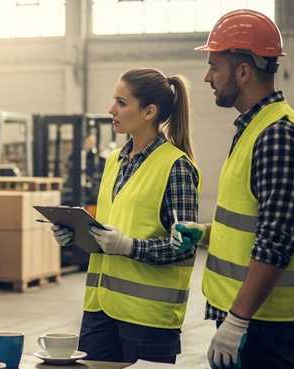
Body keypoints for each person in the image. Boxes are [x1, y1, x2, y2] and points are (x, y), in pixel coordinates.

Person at [175, 9, 294, 369]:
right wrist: (206, 233)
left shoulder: (278, 135)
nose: (207, 78)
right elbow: (254, 223)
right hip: (253, 317)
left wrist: (237, 321)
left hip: (266, 323)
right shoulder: (255, 127)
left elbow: (276, 240)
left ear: (243, 72)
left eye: (214, 67)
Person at [53, 68, 201, 364]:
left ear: (149, 111)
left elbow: (184, 248)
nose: (112, 109)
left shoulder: (176, 167)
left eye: (121, 103)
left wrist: (130, 247)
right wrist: (76, 235)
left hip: (148, 319)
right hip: (99, 311)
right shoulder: (114, 161)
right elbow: (111, 231)